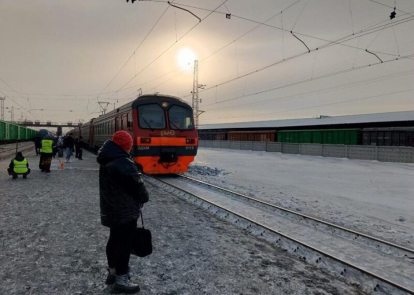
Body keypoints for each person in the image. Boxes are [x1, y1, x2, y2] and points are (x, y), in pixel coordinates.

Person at [97, 130, 149, 294]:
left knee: (113, 240)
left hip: (111, 209)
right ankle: (121, 279)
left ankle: (112, 273)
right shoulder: (123, 163)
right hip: (125, 211)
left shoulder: (107, 159)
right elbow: (139, 188)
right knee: (124, 245)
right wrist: (144, 197)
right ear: (126, 146)